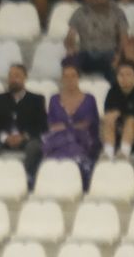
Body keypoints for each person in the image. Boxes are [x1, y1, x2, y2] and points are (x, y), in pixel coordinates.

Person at [0, 63, 48, 182]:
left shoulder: (36, 99)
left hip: (27, 140)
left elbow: (42, 126)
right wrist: (5, 137)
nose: (12, 79)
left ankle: (24, 177)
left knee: (35, 147)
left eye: (16, 75)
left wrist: (24, 136)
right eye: (10, 76)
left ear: (24, 78)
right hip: (5, 140)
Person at [43, 59, 100, 187]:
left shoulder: (89, 99)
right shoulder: (54, 99)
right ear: (62, 79)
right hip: (58, 142)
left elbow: (90, 124)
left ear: (78, 77)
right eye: (66, 76)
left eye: (73, 76)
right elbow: (52, 125)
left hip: (83, 141)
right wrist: (74, 126)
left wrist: (67, 128)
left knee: (78, 154)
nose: (69, 79)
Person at [65, 0, 128, 78]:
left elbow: (124, 38)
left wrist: (119, 56)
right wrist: (70, 47)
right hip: (86, 53)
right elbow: (70, 35)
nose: (98, 0)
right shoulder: (80, 12)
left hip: (109, 53)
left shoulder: (117, 12)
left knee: (118, 68)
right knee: (69, 64)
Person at [100, 60, 134, 160]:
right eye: (121, 75)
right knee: (108, 119)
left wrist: (118, 112)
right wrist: (114, 115)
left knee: (130, 120)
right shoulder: (112, 92)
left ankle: (124, 153)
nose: (124, 78)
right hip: (115, 127)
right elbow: (108, 111)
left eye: (128, 74)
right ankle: (108, 153)